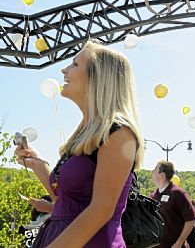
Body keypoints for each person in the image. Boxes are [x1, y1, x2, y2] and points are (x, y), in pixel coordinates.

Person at [15, 39, 144, 247]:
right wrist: (37, 164)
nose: (64, 70)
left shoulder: (120, 133)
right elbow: (65, 201)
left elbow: (101, 209)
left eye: (74, 64)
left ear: (98, 76)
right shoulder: (85, 133)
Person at [152, 160, 195, 248]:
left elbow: (191, 219)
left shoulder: (178, 193)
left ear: (162, 175)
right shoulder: (153, 196)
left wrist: (179, 242)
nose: (152, 171)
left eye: (155, 169)